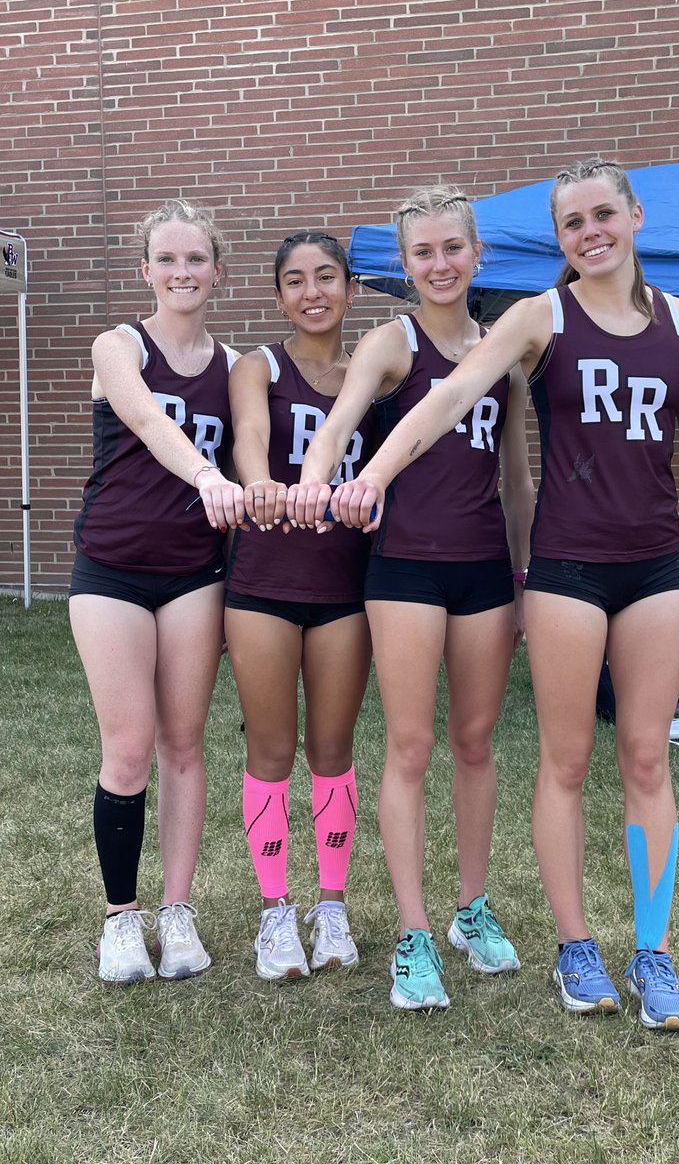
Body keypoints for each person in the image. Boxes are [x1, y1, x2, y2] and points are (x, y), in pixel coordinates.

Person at [325, 159, 679, 1031]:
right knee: (564, 760)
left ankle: (653, 954)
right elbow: (445, 401)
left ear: (634, 216)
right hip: (563, 571)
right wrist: (368, 477)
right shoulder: (534, 319)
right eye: (572, 223)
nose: (590, 233)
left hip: (654, 569)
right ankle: (573, 945)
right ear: (557, 239)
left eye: (602, 216)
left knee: (649, 759)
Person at [290, 186, 534, 1010]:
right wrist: (318, 482)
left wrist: (526, 577)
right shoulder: (390, 342)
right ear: (404, 263)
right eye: (422, 252)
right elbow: (337, 425)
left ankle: (471, 909)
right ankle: (413, 932)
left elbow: (516, 479)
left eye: (452, 248)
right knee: (412, 745)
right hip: (404, 570)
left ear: (477, 254)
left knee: (475, 741)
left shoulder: (504, 348)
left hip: (485, 574)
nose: (439, 264)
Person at [70, 198, 247, 983]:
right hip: (111, 566)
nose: (183, 272)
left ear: (217, 270)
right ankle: (120, 919)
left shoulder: (237, 367)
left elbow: (253, 460)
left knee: (184, 743)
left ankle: (178, 914)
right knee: (130, 746)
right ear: (146, 270)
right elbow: (144, 419)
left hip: (194, 573)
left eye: (196, 259)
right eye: (167, 259)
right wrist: (207, 475)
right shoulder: (118, 345)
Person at [224, 232, 376, 979]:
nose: (312, 292)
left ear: (350, 285)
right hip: (262, 583)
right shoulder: (260, 365)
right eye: (295, 280)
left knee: (333, 749)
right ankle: (276, 912)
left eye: (325, 277)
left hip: (347, 588)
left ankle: (334, 906)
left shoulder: (373, 375)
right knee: (272, 748)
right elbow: (251, 435)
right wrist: (260, 485)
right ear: (279, 294)